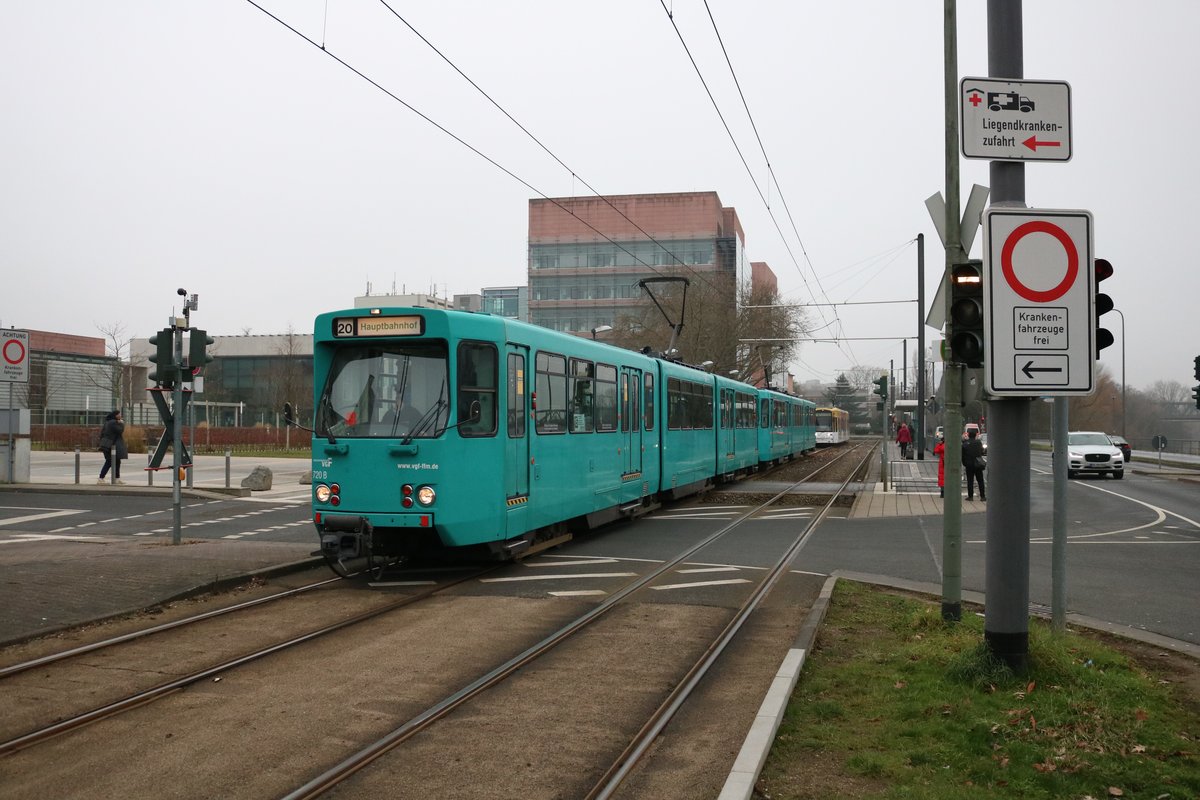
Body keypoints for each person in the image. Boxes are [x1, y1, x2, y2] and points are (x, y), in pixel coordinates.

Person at [97, 410, 128, 484]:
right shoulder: (113, 422)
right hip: (110, 445)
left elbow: (102, 433)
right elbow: (120, 430)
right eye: (119, 414)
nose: (120, 415)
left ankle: (117, 478)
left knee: (117, 461)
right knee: (109, 461)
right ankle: (101, 478)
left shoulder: (108, 422)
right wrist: (122, 424)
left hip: (108, 444)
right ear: (115, 415)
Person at [961, 427, 986, 501]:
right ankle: (982, 496)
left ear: (968, 435)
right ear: (975, 435)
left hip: (969, 464)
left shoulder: (965, 444)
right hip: (978, 463)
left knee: (970, 480)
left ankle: (970, 496)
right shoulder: (978, 443)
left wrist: (964, 463)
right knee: (980, 480)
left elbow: (963, 455)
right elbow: (982, 451)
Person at [933, 432, 946, 498]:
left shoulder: (941, 446)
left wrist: (939, 444)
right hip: (949, 463)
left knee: (942, 478)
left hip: (942, 463)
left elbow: (936, 450)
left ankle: (942, 492)